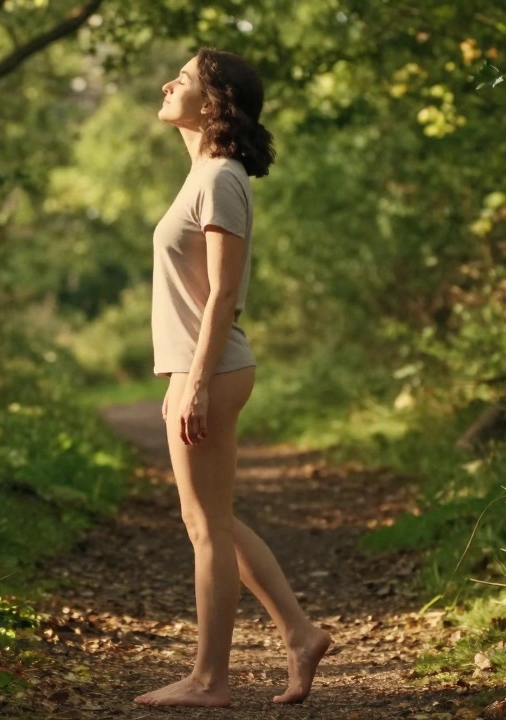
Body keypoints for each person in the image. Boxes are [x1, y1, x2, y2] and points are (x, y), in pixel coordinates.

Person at [134, 47, 333, 708]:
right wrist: (181, 377)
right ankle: (300, 635)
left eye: (184, 78)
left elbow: (224, 295)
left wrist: (191, 381)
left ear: (216, 101)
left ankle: (210, 679)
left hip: (210, 368)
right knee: (212, 520)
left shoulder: (220, 177)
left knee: (206, 528)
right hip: (200, 367)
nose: (168, 84)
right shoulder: (203, 176)